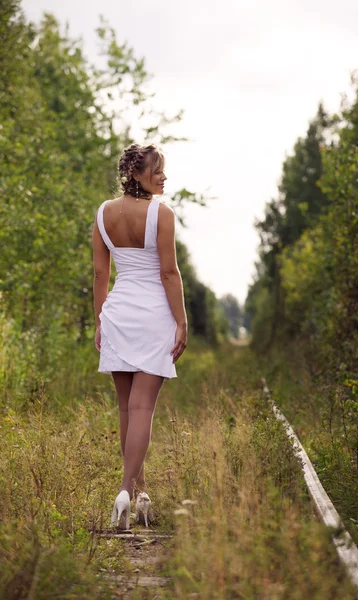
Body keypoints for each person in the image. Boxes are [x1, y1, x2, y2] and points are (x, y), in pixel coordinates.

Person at [92, 142, 188, 529]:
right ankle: (126, 492)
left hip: (117, 313)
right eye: (157, 170)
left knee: (125, 410)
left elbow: (101, 276)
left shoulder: (102, 213)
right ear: (136, 174)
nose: (163, 177)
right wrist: (181, 321)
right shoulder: (161, 214)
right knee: (142, 410)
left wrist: (100, 320)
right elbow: (169, 273)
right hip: (152, 316)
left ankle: (140, 492)